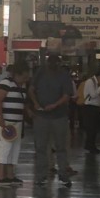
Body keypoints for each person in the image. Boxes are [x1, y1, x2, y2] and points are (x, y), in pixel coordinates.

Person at [29, 54, 73, 187]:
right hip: (53, 116)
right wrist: (37, 104)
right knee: (56, 148)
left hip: (52, 116)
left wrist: (45, 104)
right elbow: (66, 96)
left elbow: (66, 95)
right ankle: (59, 176)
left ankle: (48, 176)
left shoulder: (49, 73)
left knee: (45, 147)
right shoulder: (43, 72)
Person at [0, 62, 31, 187]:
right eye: (24, 77)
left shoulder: (22, 86)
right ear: (17, 74)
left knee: (15, 147)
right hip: (6, 121)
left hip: (17, 121)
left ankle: (10, 175)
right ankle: (0, 177)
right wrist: (1, 119)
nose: (25, 79)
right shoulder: (5, 83)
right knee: (6, 146)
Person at [81, 70, 100, 154]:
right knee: (91, 128)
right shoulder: (90, 82)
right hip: (90, 107)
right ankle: (90, 146)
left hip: (95, 107)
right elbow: (93, 95)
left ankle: (91, 145)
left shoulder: (95, 83)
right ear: (99, 77)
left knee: (94, 128)